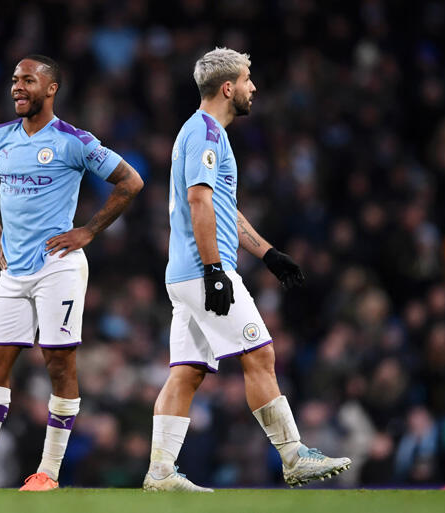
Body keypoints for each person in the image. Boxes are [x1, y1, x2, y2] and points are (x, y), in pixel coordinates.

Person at [0, 55, 143, 492]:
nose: (17, 87)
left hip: (57, 266)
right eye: (14, 80)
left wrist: (88, 230)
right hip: (14, 271)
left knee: (58, 363)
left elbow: (130, 181)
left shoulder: (73, 141)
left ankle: (49, 472)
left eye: (28, 80)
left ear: (51, 88)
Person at [143, 48, 350, 492]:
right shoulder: (206, 133)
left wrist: (268, 253)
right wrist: (215, 270)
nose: (253, 87)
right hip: (202, 270)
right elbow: (199, 201)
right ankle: (293, 456)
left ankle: (160, 471)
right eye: (247, 79)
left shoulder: (202, 132)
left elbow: (222, 208)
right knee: (260, 354)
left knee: (187, 371)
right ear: (227, 88)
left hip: (184, 274)